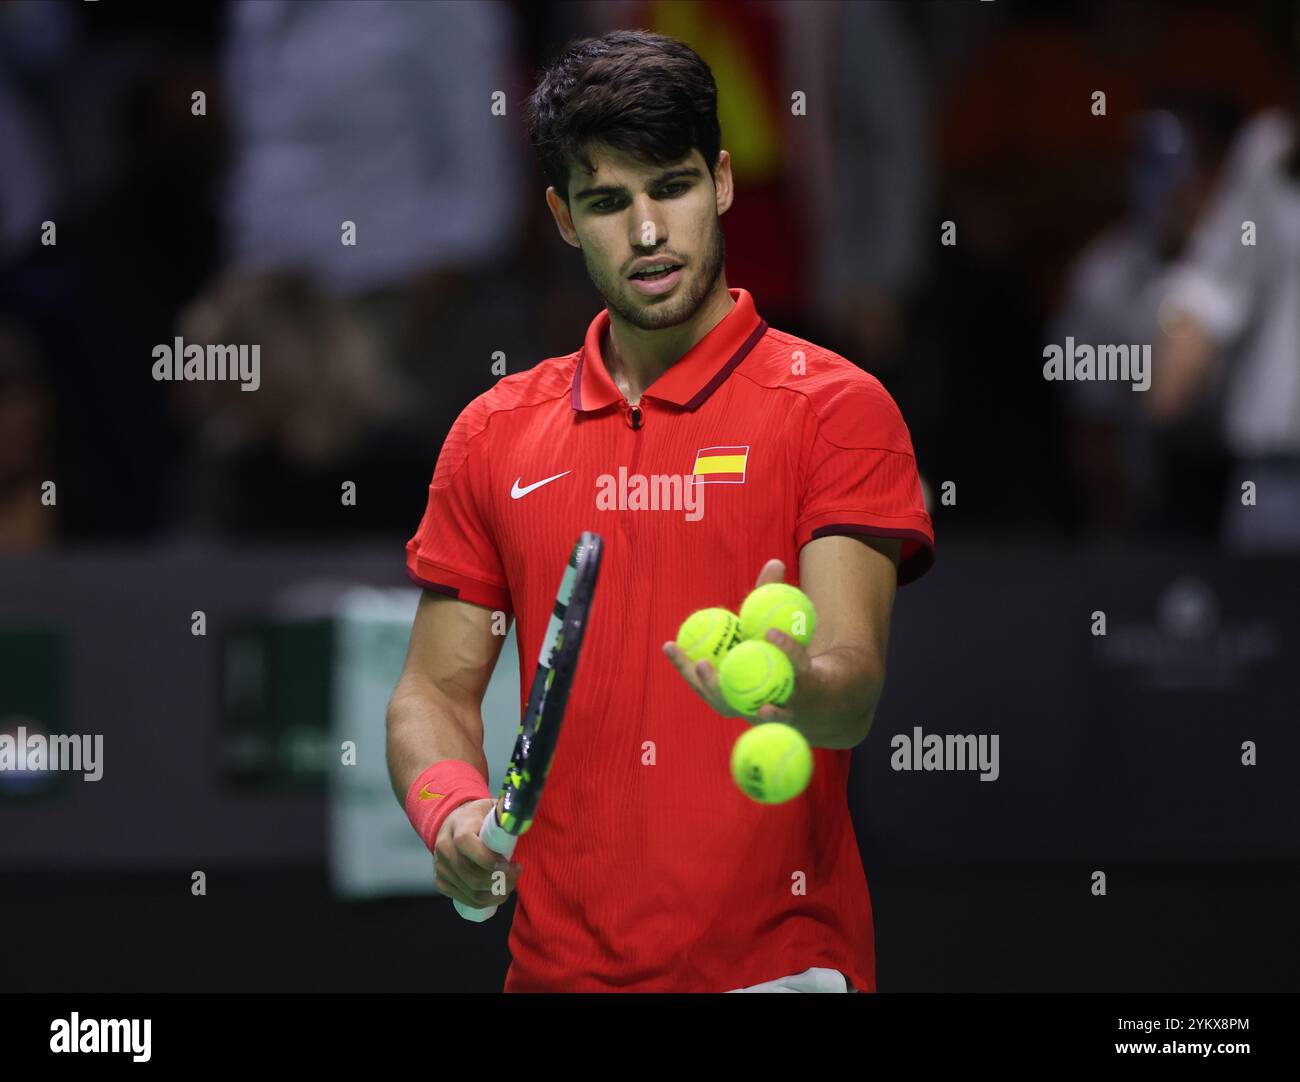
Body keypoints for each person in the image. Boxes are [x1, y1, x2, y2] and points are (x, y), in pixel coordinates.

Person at [386, 30, 934, 994]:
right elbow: (432, 693)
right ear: (562, 217)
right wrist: (454, 815)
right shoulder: (492, 434)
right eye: (607, 202)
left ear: (722, 181)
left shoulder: (837, 409)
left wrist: (790, 687)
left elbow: (850, 694)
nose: (646, 233)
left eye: (671, 188)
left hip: (777, 975)